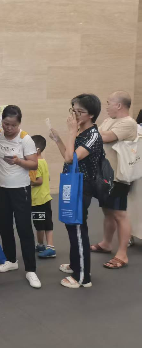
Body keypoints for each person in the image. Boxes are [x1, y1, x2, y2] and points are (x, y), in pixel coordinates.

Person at [50, 94, 104, 288]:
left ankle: (83, 277)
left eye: (79, 112)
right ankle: (75, 265)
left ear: (91, 115)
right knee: (71, 225)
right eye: (73, 110)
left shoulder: (93, 135)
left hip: (82, 186)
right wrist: (58, 139)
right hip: (73, 184)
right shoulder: (82, 133)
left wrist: (71, 131)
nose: (74, 115)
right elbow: (68, 154)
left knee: (78, 229)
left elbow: (70, 159)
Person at [90, 91, 138, 269]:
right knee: (108, 211)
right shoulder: (109, 121)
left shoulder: (128, 123)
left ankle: (122, 254)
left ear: (119, 105)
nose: (107, 106)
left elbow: (102, 137)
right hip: (105, 175)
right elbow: (97, 136)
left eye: (109, 102)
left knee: (119, 214)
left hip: (119, 177)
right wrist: (99, 133)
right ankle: (106, 244)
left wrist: (99, 133)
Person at [0, 106, 41, 289]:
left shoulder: (25, 139)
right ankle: (10, 260)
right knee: (4, 225)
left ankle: (31, 269)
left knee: (24, 228)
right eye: (6, 124)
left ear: (19, 123)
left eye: (13, 125)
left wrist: (18, 161)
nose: (9, 128)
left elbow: (34, 164)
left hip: (20, 189)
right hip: (1, 188)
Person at [30, 135, 56, 258]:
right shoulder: (43, 161)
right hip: (45, 197)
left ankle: (44, 245)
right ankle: (46, 245)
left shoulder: (36, 164)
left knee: (40, 225)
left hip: (38, 200)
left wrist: (28, 182)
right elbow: (47, 178)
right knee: (46, 223)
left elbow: (39, 181)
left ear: (37, 150)